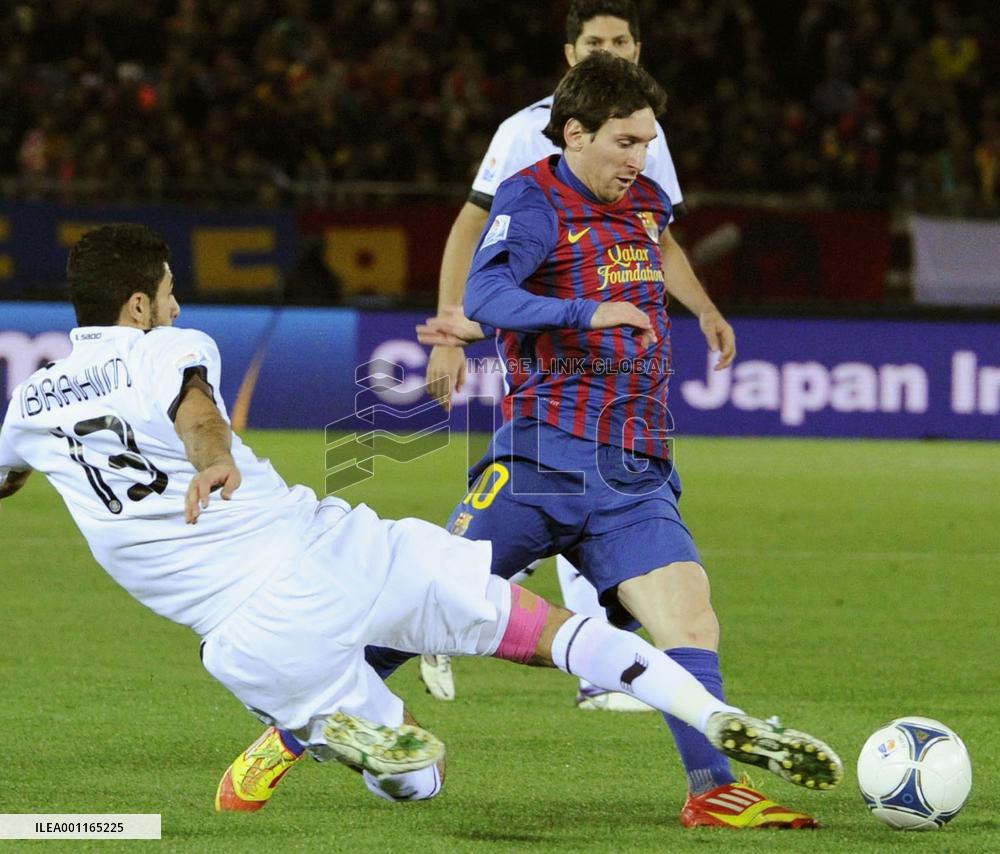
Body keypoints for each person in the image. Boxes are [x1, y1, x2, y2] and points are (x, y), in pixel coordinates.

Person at [0, 224, 841, 815]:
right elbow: (195, 411)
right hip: (350, 546)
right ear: (141, 307)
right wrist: (214, 457)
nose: (179, 310)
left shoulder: (29, 403)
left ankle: (334, 733)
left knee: (414, 777)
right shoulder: (168, 349)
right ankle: (714, 717)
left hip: (252, 631)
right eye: (172, 296)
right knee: (556, 634)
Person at [414, 53, 830, 830]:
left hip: (633, 463)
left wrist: (702, 308)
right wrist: (587, 313)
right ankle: (290, 731)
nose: (640, 162)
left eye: (647, 143)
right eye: (626, 143)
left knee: (692, 622)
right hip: (544, 455)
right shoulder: (532, 196)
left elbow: (659, 252)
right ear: (575, 134)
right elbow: (489, 292)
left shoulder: (642, 206)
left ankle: (713, 790)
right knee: (420, 603)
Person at [424, 0, 686, 712]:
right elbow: (476, 241)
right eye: (595, 40)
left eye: (621, 39)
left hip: (625, 416)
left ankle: (621, 689)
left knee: (599, 534)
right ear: (570, 52)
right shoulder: (524, 146)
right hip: (552, 391)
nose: (610, 50)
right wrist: (456, 328)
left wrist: (706, 310)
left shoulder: (644, 156)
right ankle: (417, 625)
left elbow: (655, 248)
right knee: (533, 516)